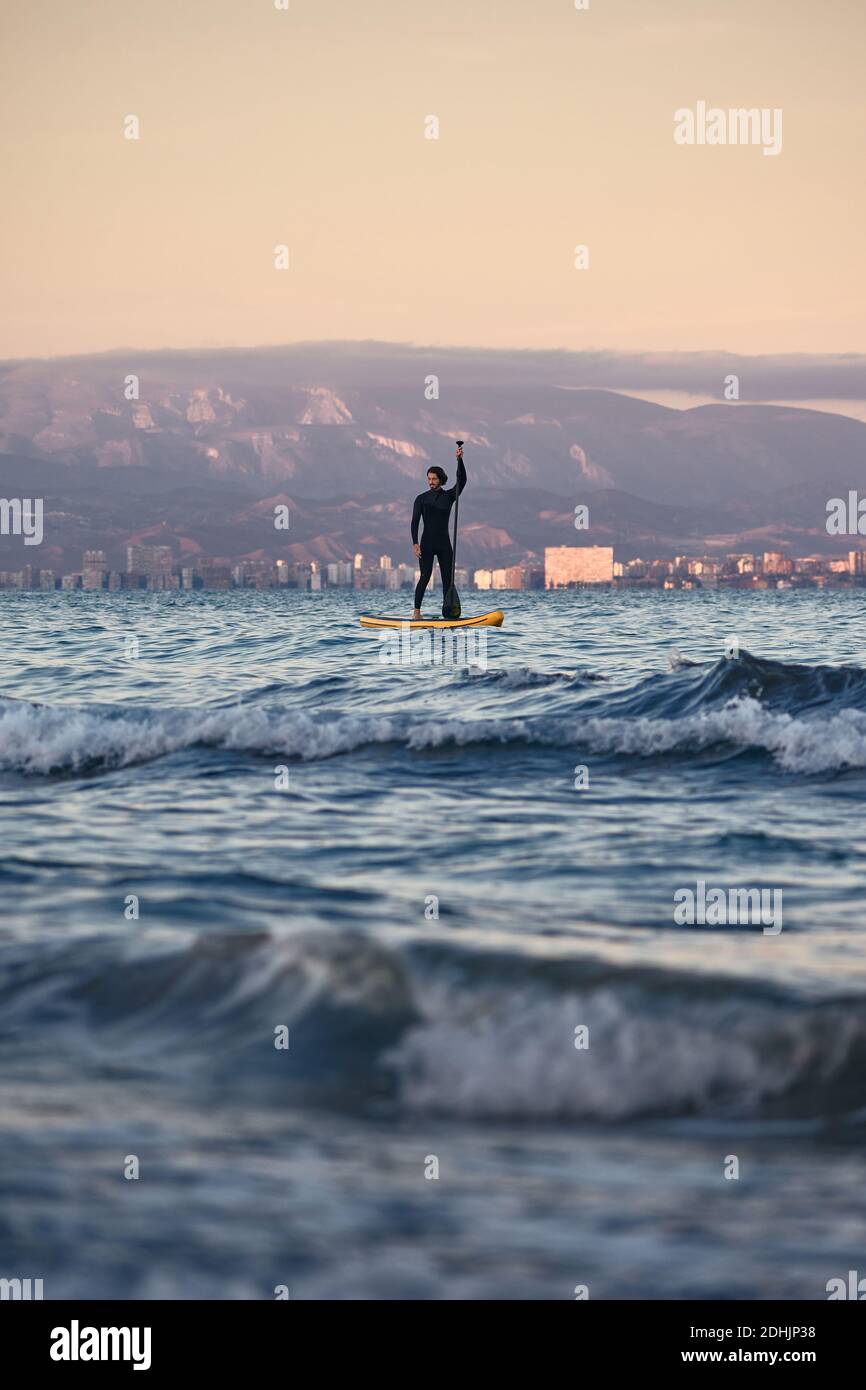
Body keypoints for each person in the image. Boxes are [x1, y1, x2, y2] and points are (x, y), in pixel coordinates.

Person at [411, 443, 466, 618]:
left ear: (441, 479)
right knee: (425, 577)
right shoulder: (421, 499)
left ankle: (448, 614)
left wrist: (460, 460)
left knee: (447, 581)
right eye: (429, 478)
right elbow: (414, 522)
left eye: (434, 479)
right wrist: (415, 543)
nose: (431, 482)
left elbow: (462, 480)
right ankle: (416, 613)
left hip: (444, 544)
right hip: (426, 543)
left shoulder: (449, 497)